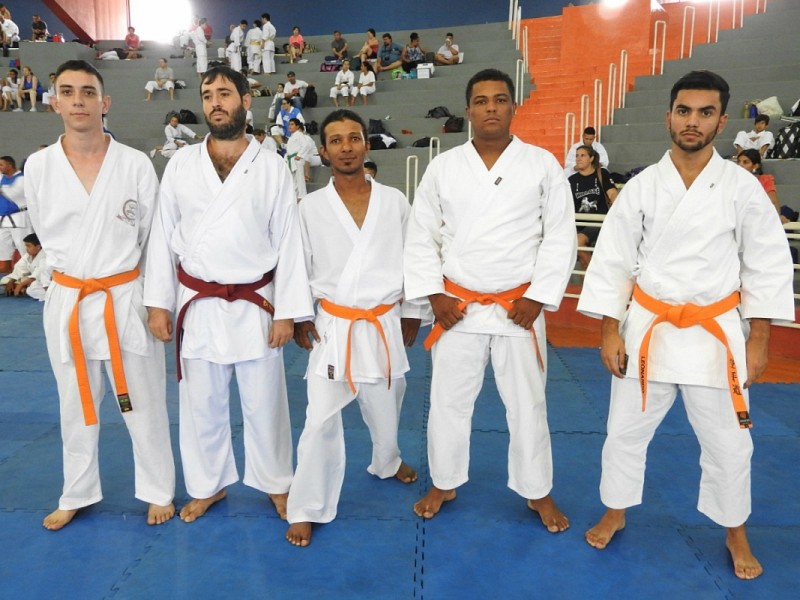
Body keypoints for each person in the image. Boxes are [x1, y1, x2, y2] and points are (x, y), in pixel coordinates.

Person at [577, 70, 795, 580]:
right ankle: (616, 509)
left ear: (721, 121)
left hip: (715, 333)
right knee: (624, 431)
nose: (692, 121)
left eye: (704, 112)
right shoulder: (641, 187)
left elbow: (765, 264)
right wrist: (609, 330)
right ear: (669, 116)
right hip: (647, 326)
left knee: (730, 443)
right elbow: (613, 260)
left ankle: (735, 530)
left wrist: (760, 339)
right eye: (683, 111)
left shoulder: (742, 188)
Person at [404, 68, 576, 530]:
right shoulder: (443, 167)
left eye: (500, 99)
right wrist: (435, 296)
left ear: (513, 107)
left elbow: (560, 235)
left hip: (518, 309)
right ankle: (444, 481)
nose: (491, 108)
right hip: (456, 309)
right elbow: (421, 235)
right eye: (481, 101)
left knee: (528, 405)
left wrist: (538, 298)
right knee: (448, 402)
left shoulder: (542, 164)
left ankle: (537, 491)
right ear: (468, 110)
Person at [143, 65, 313, 523]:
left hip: (257, 303)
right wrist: (158, 303)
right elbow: (162, 236)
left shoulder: (271, 166)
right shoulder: (181, 164)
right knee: (201, 404)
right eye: (207, 95)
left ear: (245, 101)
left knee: (266, 402)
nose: (215, 102)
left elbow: (289, 242)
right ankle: (208, 485)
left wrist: (288, 312)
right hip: (197, 302)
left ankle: (277, 482)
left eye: (224, 93)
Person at [24, 59, 176, 530]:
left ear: (104, 102)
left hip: (124, 297)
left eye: (88, 92)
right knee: (74, 403)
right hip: (69, 299)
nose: (78, 101)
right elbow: (43, 233)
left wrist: (157, 304)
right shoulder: (39, 166)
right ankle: (78, 491)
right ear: (54, 102)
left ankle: (158, 489)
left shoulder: (133, 163)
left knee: (143, 401)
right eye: (68, 92)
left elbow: (155, 241)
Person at [285, 109, 423, 547]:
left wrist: (413, 309)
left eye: (354, 138)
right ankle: (307, 506)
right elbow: (296, 266)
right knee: (319, 420)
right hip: (334, 326)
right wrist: (299, 315)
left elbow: (415, 258)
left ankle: (387, 460)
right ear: (324, 152)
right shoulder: (309, 208)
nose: (346, 147)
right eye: (336, 140)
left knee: (387, 405)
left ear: (366, 144)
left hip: (382, 321)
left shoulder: (395, 201)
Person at [569, 144, 618, 270]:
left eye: (583, 155)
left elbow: (613, 194)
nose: (578, 158)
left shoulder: (602, 173)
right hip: (578, 224)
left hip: (598, 223)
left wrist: (617, 211)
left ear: (591, 158)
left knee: (578, 241)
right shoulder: (571, 180)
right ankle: (590, 278)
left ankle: (594, 275)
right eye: (577, 156)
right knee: (581, 258)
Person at [0, 155, 32, 272]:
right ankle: (6, 269)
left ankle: (28, 270)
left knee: (22, 245)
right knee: (3, 245)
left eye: (1, 165)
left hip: (19, 217)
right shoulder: (1, 178)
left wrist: (2, 189)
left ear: (9, 165)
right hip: (3, 218)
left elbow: (14, 194)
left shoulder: (22, 178)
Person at [1, 232, 49, 300]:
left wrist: (20, 285)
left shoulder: (45, 256)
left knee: (33, 287)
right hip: (31, 279)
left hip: (44, 281)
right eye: (26, 246)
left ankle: (23, 289)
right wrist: (11, 281)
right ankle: (20, 289)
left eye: (28, 246)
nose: (26, 248)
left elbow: (37, 275)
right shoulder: (28, 255)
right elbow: (19, 268)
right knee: (5, 280)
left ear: (38, 247)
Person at [736, 148, 782, 215]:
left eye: (745, 162)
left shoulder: (764, 180)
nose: (740, 165)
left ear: (755, 166)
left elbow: (773, 204)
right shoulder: (733, 180)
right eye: (738, 162)